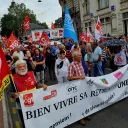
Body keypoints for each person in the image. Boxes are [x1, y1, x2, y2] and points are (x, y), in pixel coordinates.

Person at [68, 51, 90, 126]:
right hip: (76, 87)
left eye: (81, 55)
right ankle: (80, 118)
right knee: (78, 102)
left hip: (83, 85)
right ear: (75, 57)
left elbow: (82, 73)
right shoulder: (71, 65)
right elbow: (69, 77)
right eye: (79, 55)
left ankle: (85, 114)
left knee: (84, 100)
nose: (81, 56)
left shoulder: (80, 62)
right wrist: (80, 77)